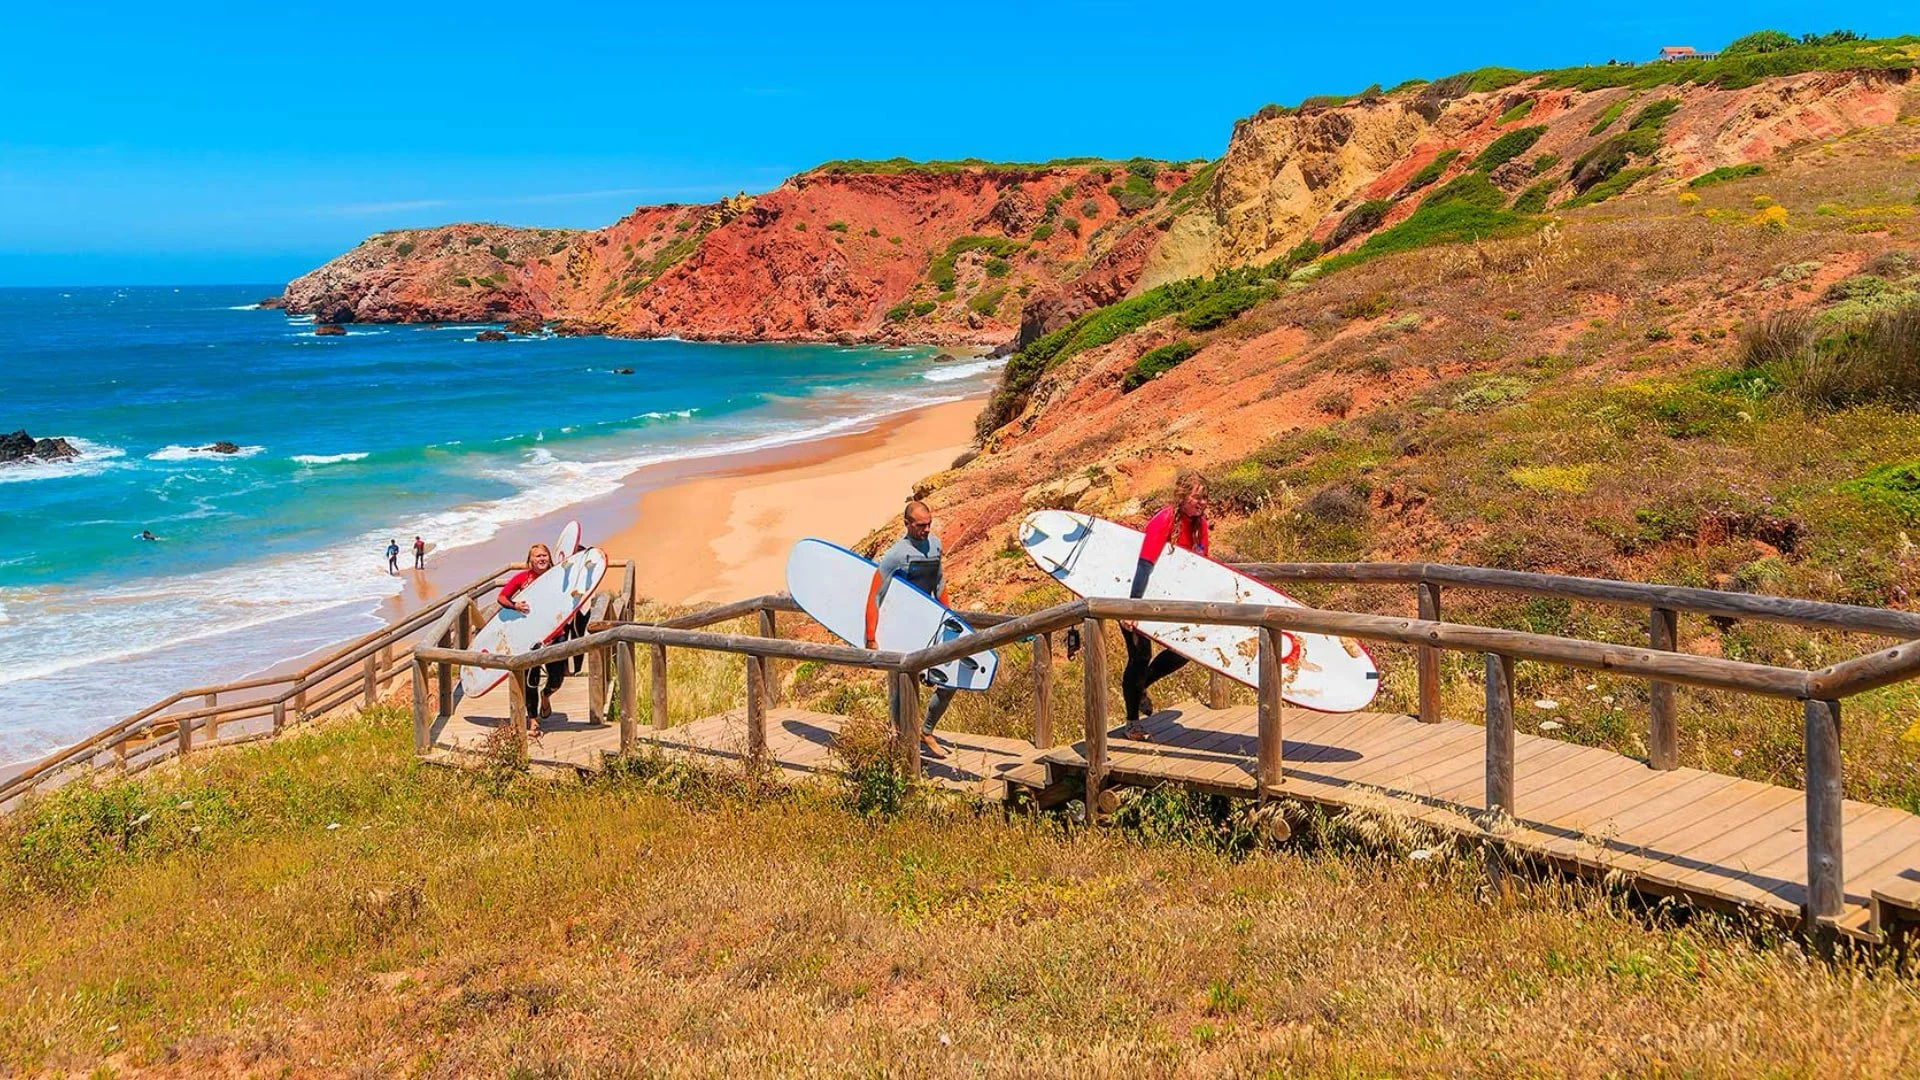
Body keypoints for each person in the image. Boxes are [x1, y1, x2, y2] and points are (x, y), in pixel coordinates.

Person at [1121, 472, 1211, 739]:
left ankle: (1141, 687)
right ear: (1182, 495)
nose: (1202, 502)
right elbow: (1144, 565)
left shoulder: (1200, 524)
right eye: (1197, 497)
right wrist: (1131, 610)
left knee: (1183, 652)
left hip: (1170, 598)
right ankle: (1132, 723)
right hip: (1136, 594)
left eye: (1205, 497)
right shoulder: (1165, 519)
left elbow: (1199, 566)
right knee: (1140, 656)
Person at [865, 500, 954, 760]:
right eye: (920, 526)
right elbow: (875, 595)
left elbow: (939, 582)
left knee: (949, 682)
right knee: (903, 685)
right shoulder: (896, 554)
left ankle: (926, 731)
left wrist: (949, 617)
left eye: (929, 524)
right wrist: (871, 637)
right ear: (907, 524)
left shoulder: (935, 544)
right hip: (902, 630)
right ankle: (897, 736)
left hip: (930, 625)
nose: (926, 530)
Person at [498, 543, 567, 733]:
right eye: (537, 556)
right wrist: (515, 605)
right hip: (531, 638)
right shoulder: (523, 578)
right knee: (531, 679)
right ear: (530, 561)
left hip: (556, 634)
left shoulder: (557, 576)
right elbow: (502, 597)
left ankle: (546, 696)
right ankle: (533, 718)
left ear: (549, 558)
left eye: (544, 555)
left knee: (557, 678)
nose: (541, 559)